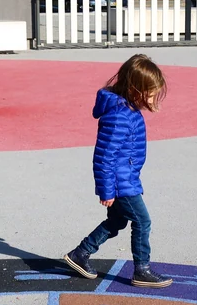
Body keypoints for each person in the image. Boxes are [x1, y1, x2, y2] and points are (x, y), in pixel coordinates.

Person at [62, 54, 173, 288]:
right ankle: (142, 270)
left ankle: (80, 253)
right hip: (121, 184)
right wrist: (107, 190)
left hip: (126, 178)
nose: (152, 98)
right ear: (134, 90)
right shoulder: (119, 116)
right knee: (142, 221)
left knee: (117, 221)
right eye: (150, 93)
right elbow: (104, 155)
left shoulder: (127, 109)